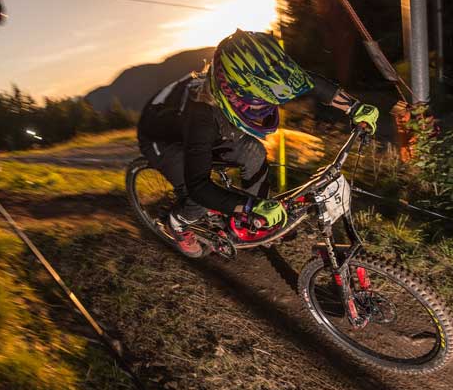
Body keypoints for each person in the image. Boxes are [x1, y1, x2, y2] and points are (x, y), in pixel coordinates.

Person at [136, 29, 379, 258]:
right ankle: (177, 224)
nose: (264, 110)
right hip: (162, 137)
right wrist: (249, 205)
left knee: (253, 151)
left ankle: (256, 223)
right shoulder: (201, 116)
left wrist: (354, 107)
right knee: (196, 199)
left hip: (208, 127)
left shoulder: (253, 77)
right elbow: (200, 187)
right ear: (230, 93)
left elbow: (307, 82)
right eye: (258, 103)